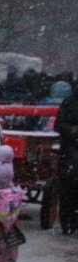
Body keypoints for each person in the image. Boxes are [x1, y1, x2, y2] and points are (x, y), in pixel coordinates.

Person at [57, 84, 78, 236]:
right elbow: (59, 124)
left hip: (69, 152)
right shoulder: (69, 102)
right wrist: (71, 130)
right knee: (67, 189)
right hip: (70, 151)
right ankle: (67, 223)